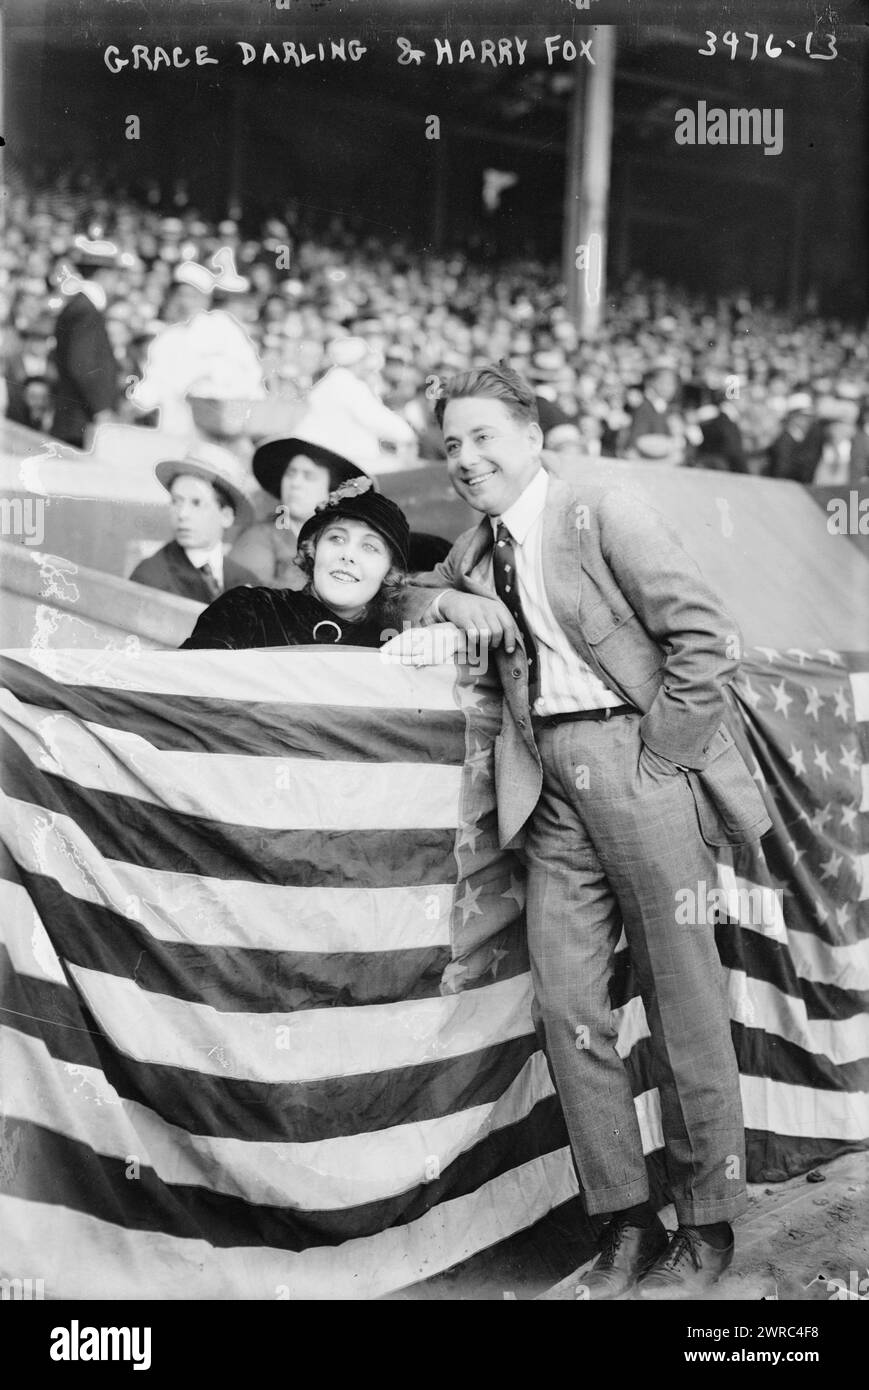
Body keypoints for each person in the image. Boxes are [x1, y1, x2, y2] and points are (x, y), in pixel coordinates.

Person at [395, 363, 771, 1300]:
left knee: (680, 996)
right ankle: (624, 1218)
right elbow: (404, 590)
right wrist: (449, 601)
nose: (467, 459)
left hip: (637, 761)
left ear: (531, 436)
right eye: (451, 446)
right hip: (547, 786)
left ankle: (707, 1223)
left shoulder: (600, 505)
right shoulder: (478, 552)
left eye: (484, 437)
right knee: (567, 1008)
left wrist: (664, 755)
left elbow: (703, 637)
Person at [181, 474, 409, 650]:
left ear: (389, 572)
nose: (347, 555)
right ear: (314, 551)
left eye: (370, 547)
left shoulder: (392, 645)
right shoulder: (248, 610)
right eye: (336, 538)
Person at [228, 419, 370, 588]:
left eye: (308, 476)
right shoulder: (258, 538)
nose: (295, 483)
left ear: (333, 492)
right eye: (290, 473)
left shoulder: (346, 541)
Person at [129, 443, 259, 603]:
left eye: (196, 503)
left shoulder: (247, 581)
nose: (182, 514)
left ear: (226, 516)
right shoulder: (149, 580)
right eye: (176, 502)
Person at [51, 235, 125, 447]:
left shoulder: (81, 306)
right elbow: (82, 363)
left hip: (79, 418)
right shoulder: (85, 311)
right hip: (81, 419)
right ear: (104, 274)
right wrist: (101, 408)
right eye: (116, 275)